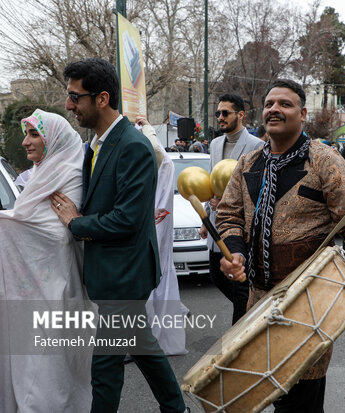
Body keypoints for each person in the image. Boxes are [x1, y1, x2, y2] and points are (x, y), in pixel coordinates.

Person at [217, 79, 345, 412]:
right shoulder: (248, 165)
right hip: (257, 302)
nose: (275, 109)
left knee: (302, 402)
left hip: (308, 306)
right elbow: (229, 216)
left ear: (303, 114)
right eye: (269, 104)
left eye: (285, 104)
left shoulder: (326, 161)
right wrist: (234, 252)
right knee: (265, 394)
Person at [51, 58, 187, 413]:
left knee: (105, 366)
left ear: (102, 98)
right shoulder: (95, 145)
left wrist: (75, 223)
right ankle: (177, 408)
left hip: (124, 274)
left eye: (74, 97)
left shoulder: (132, 146)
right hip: (110, 272)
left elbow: (125, 219)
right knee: (144, 347)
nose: (69, 105)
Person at [0, 109, 92, 412]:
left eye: (34, 134)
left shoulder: (73, 172)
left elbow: (58, 233)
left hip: (60, 288)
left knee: (53, 364)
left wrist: (9, 223)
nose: (26, 142)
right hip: (30, 290)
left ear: (53, 139)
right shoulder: (39, 173)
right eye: (27, 134)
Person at [199, 93, 264, 325]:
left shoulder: (257, 145)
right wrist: (206, 218)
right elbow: (211, 183)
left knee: (240, 287)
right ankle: (252, 311)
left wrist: (228, 202)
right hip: (216, 222)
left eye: (225, 113)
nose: (220, 117)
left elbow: (256, 190)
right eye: (218, 113)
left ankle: (241, 333)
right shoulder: (215, 144)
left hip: (241, 227)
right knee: (217, 275)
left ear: (241, 115)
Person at [136, 115, 189, 356]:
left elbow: (156, 151)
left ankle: (148, 338)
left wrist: (146, 127)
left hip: (151, 235)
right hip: (152, 233)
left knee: (150, 280)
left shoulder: (158, 161)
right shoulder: (162, 164)